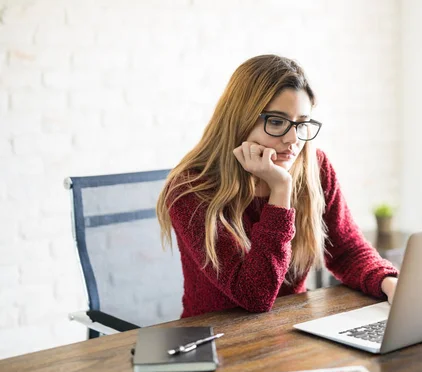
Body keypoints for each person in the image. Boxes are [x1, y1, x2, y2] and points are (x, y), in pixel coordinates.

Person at [156, 54, 398, 318]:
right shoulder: (191, 189)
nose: (293, 139)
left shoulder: (313, 167)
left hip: (291, 332)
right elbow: (255, 296)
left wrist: (390, 284)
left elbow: (347, 251)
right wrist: (281, 190)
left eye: (301, 123)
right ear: (241, 120)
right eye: (276, 122)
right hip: (215, 340)